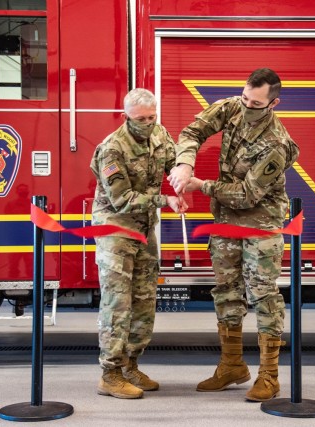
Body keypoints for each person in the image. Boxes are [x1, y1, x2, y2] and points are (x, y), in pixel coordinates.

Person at [167, 68, 299, 401]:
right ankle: (231, 365)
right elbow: (193, 130)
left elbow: (247, 195)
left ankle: (269, 376)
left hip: (260, 224)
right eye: (244, 98)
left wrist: (200, 185)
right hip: (225, 221)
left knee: (263, 295)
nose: (247, 106)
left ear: (273, 103)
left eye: (255, 103)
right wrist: (184, 163)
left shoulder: (276, 143)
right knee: (226, 291)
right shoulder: (231, 107)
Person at [90, 88, 187, 399]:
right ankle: (110, 373)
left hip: (144, 231)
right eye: (140, 119)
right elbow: (121, 200)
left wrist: (182, 174)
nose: (148, 123)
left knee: (145, 300)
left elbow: (173, 159)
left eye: (152, 116)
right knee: (118, 304)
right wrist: (165, 199)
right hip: (116, 232)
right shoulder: (112, 148)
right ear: (125, 117)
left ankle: (131, 364)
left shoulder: (159, 133)